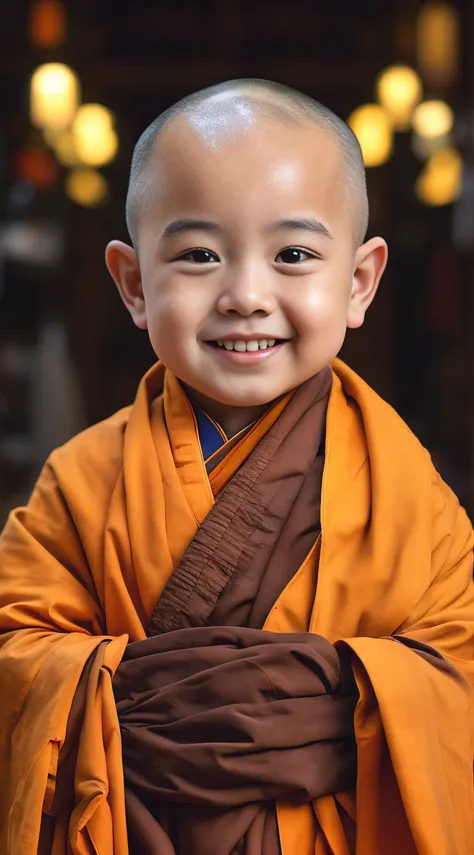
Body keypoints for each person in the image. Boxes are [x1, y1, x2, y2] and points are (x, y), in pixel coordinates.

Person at [0, 79, 473, 855]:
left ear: (358, 283)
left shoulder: (411, 494)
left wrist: (255, 712)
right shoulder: (80, 480)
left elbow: (457, 678)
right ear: (134, 284)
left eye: (293, 254)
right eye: (198, 255)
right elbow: (17, 659)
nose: (246, 295)